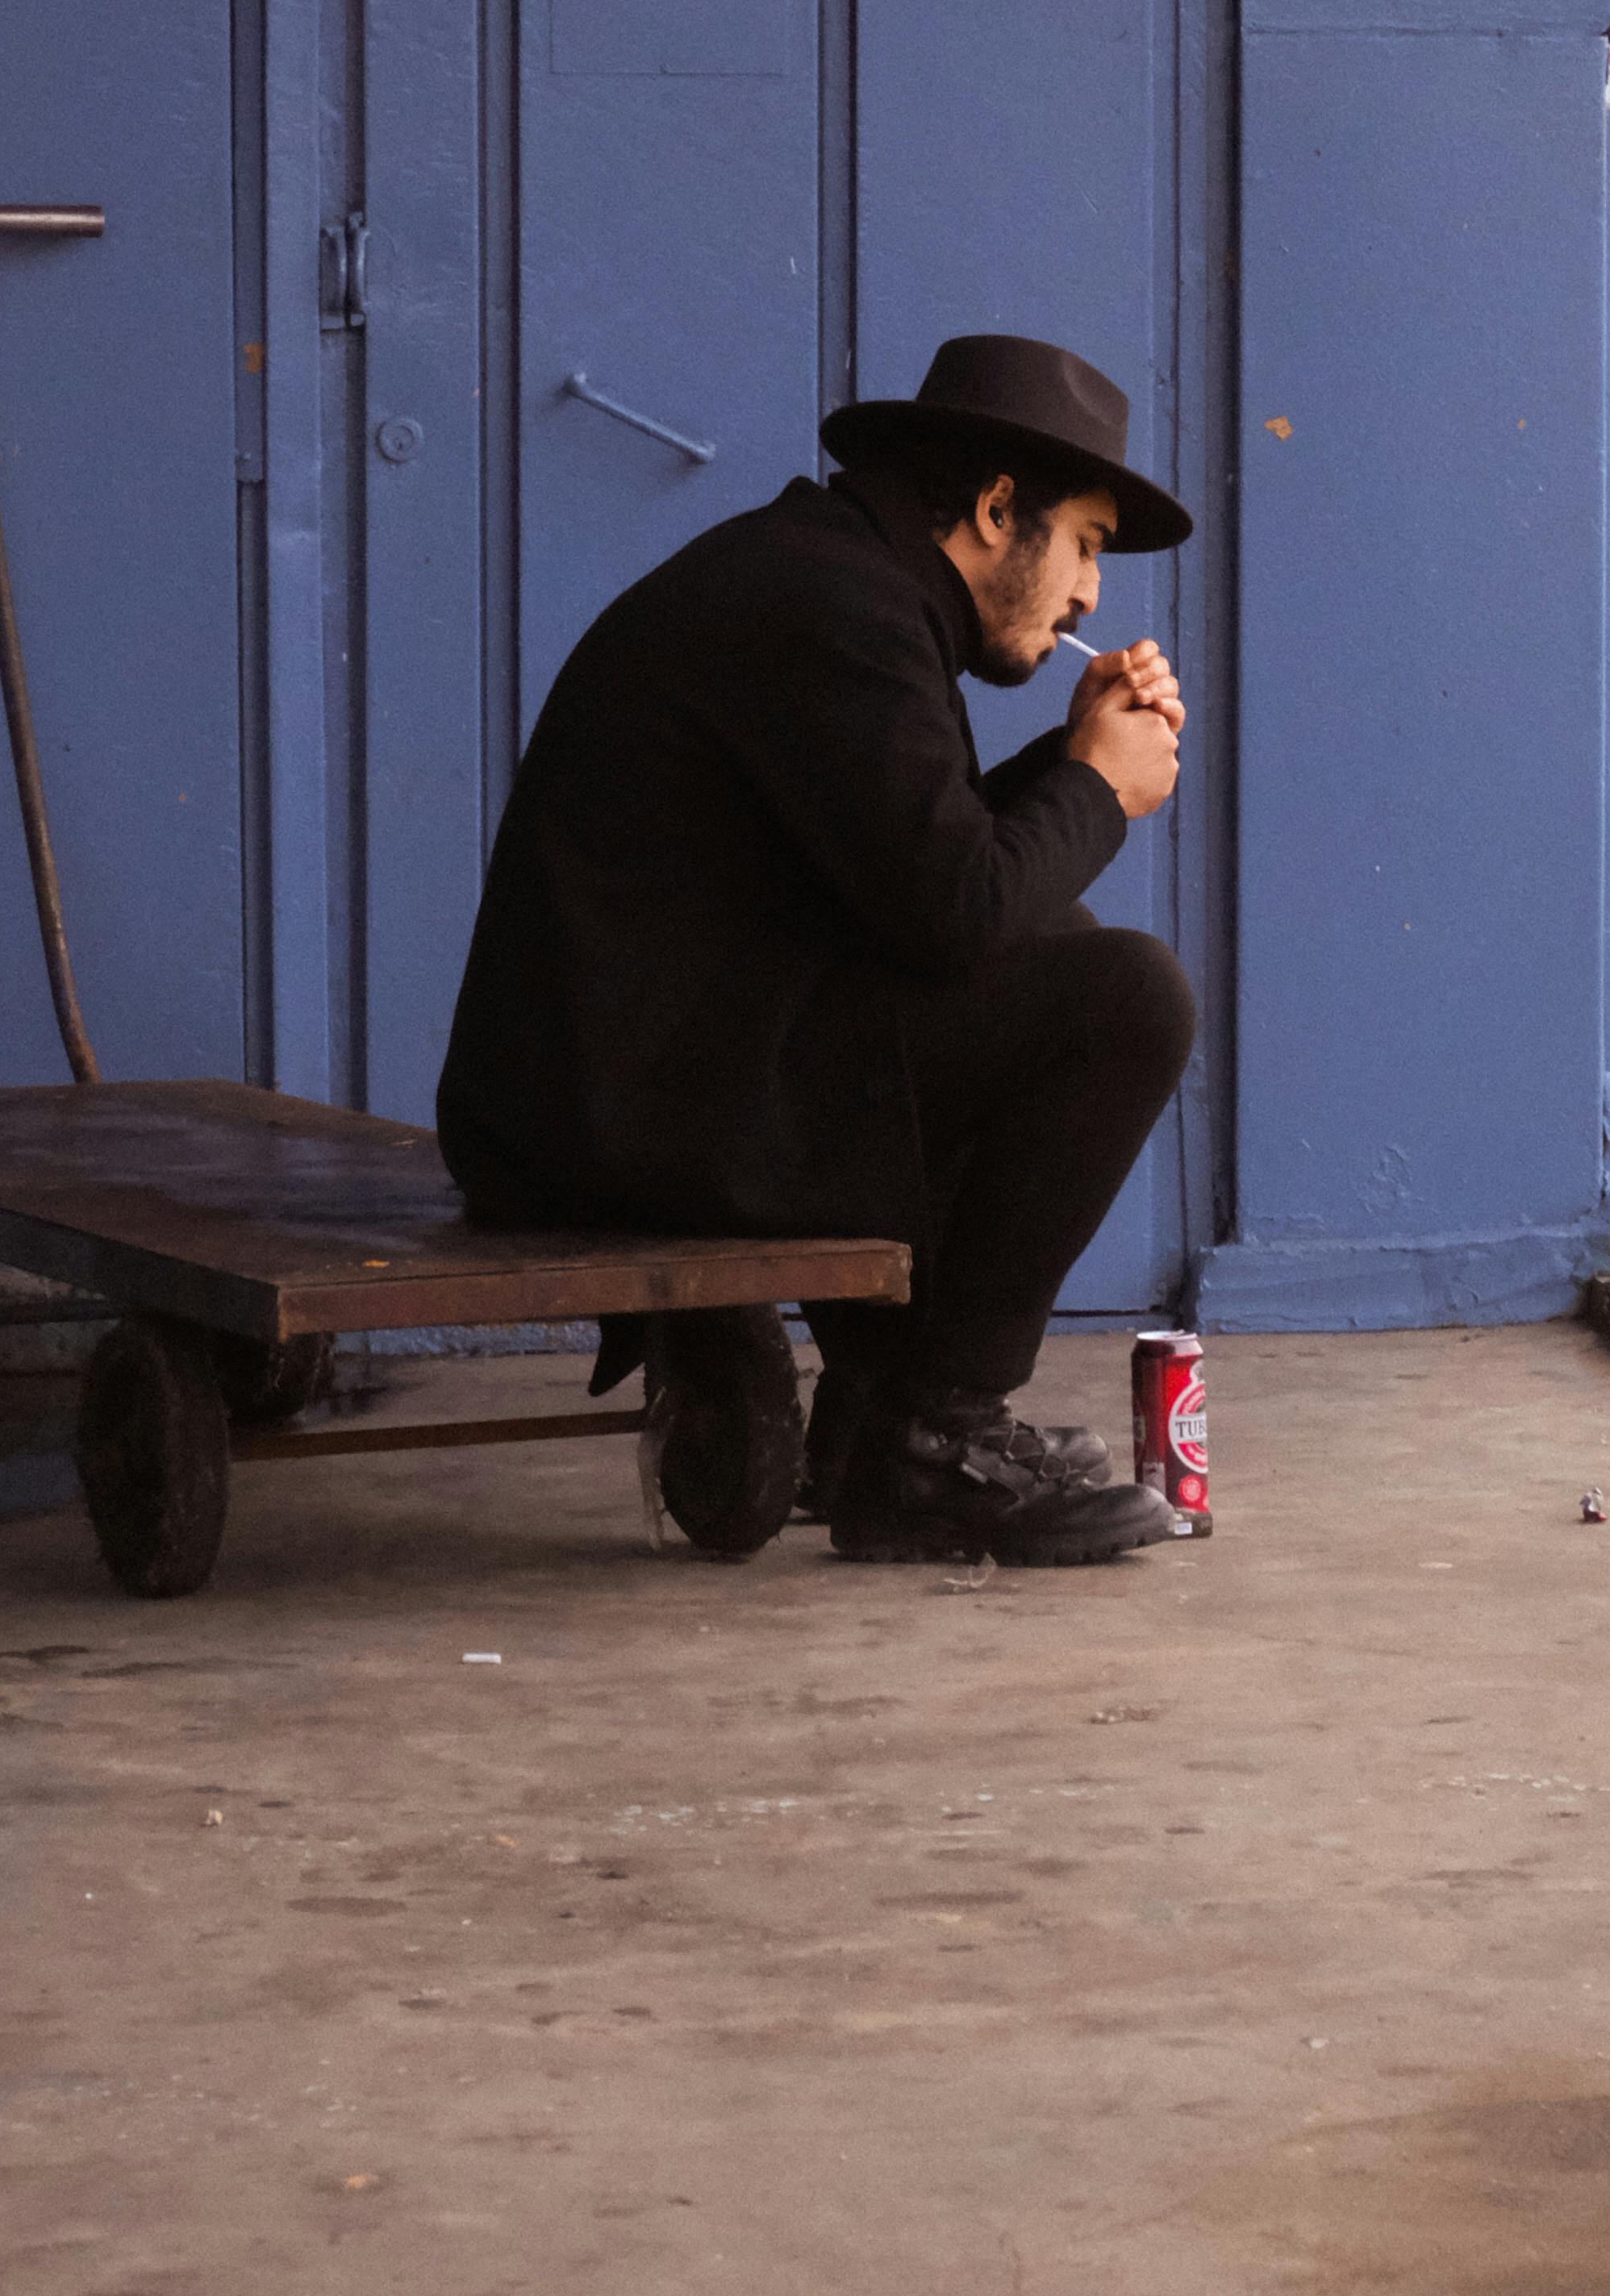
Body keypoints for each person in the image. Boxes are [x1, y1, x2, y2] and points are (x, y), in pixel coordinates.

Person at [437, 332, 1198, 1565]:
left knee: (1052, 946)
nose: (1092, 597)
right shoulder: (839, 608)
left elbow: (909, 874)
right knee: (1126, 997)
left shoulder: (837, 580)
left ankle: (877, 1425)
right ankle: (932, 1437)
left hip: (615, 1088)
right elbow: (950, 910)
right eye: (1088, 546)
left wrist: (1074, 765)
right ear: (1000, 509)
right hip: (609, 1116)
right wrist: (1095, 792)